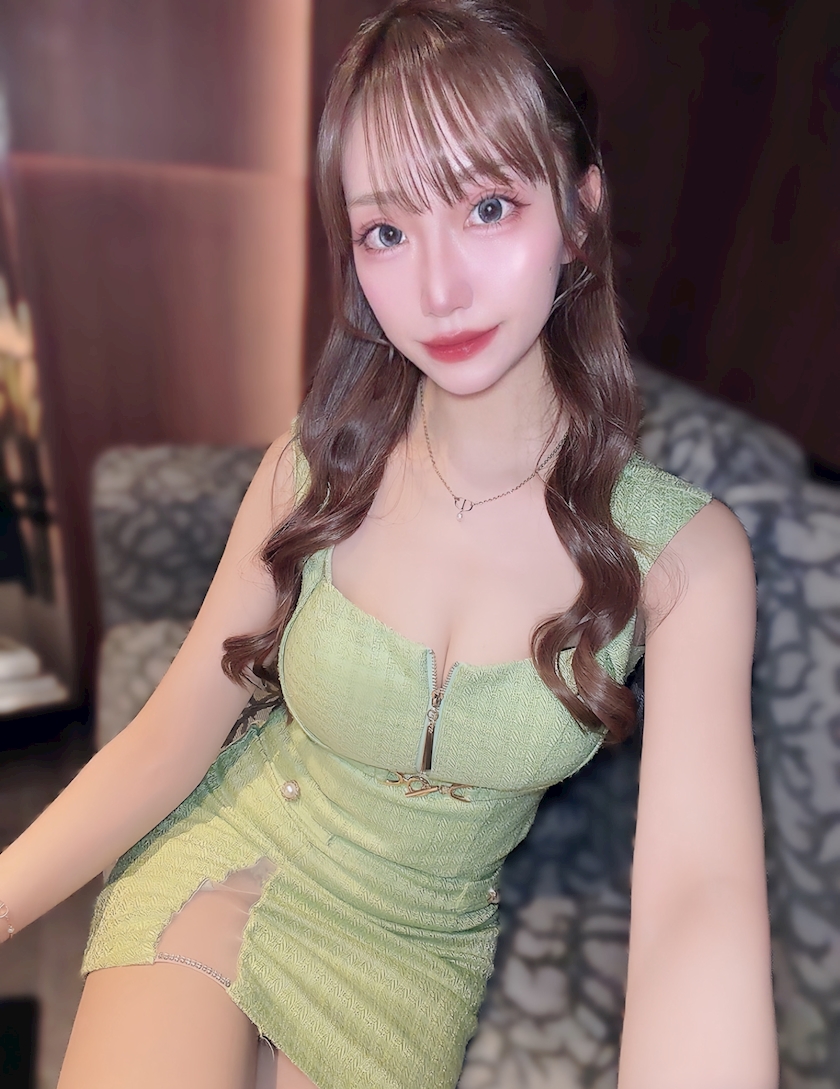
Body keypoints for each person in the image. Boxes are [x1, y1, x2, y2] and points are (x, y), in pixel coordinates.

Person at [0, 2, 778, 1087]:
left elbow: (702, 896)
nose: (438, 289)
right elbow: (170, 737)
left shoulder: (687, 557)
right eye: (386, 232)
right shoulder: (312, 468)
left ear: (579, 210)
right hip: (234, 859)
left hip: (414, 958)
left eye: (489, 206)